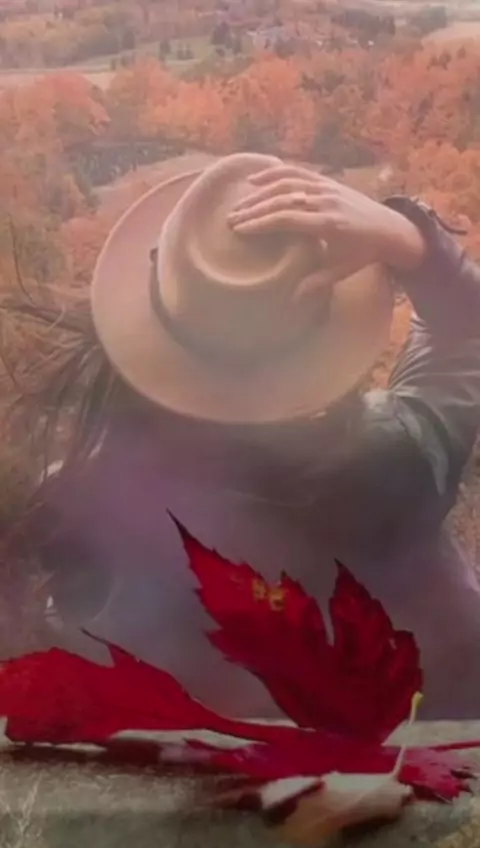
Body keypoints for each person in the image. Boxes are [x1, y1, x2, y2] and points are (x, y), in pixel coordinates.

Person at [9, 152, 480, 720]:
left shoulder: (79, 507)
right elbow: (464, 336)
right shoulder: (397, 462)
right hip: (419, 747)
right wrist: (410, 239)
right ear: (319, 350)